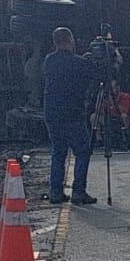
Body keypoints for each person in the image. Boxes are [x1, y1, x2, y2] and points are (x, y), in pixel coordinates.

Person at [43, 27, 106, 205]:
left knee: (58, 152)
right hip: (72, 114)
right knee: (82, 151)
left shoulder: (49, 60)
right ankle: (78, 191)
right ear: (70, 40)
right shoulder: (78, 62)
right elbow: (100, 75)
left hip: (52, 114)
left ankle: (56, 192)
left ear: (55, 42)